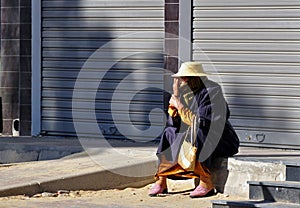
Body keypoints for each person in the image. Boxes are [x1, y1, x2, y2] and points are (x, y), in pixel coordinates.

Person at [148, 61, 240, 198]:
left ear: (196, 78)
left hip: (221, 140)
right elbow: (174, 124)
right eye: (181, 78)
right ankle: (161, 180)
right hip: (193, 135)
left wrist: (179, 106)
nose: (182, 81)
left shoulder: (212, 91)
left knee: (200, 133)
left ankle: (206, 182)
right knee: (169, 132)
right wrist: (176, 100)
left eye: (186, 78)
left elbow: (204, 122)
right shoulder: (184, 93)